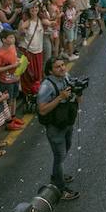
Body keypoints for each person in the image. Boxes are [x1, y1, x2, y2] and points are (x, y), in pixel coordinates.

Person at [37, 56, 80, 201]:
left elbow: (78, 99)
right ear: (50, 71)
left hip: (67, 122)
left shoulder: (67, 77)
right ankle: (60, 189)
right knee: (59, 157)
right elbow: (42, 110)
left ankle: (57, 175)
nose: (62, 68)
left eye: (63, 65)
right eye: (58, 67)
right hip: (55, 127)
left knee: (65, 149)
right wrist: (59, 98)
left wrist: (79, 91)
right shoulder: (46, 86)